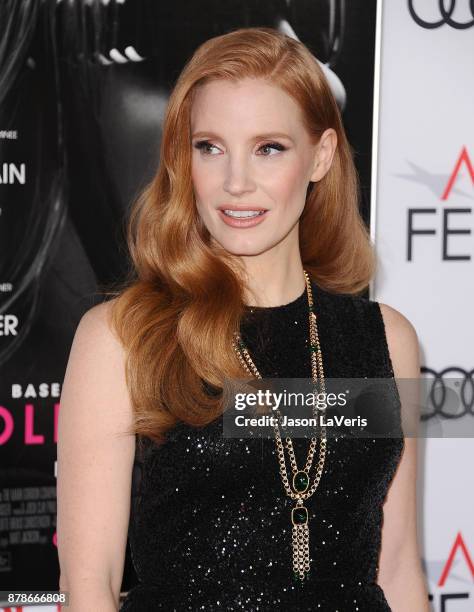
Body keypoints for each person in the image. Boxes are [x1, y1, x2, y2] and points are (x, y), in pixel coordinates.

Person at [56, 27, 429, 611]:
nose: (235, 182)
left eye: (268, 148)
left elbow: (400, 565)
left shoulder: (386, 340)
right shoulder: (124, 338)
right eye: (210, 147)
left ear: (321, 156)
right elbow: (89, 587)